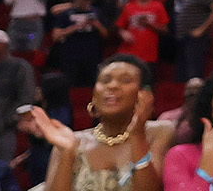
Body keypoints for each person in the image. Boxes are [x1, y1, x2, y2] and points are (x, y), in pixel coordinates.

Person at [27, 55, 174, 191]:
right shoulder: (72, 141)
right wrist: (66, 153)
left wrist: (137, 135)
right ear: (93, 98)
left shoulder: (160, 131)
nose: (112, 86)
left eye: (125, 80)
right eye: (105, 80)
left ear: (145, 94)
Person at [0, 29, 37, 161]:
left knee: (1, 169)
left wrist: (8, 120)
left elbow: (26, 98)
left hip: (5, 130)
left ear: (2, 45)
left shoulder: (19, 67)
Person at [49, 0, 111, 87]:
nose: (86, 2)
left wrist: (96, 25)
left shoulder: (96, 12)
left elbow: (106, 34)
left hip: (92, 56)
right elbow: (56, 35)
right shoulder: (66, 14)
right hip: (71, 56)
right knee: (71, 86)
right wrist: (75, 27)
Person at [116, 0, 170, 68]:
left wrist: (150, 25)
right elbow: (119, 27)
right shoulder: (129, 7)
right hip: (129, 52)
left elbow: (165, 29)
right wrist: (123, 33)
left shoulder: (158, 7)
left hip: (148, 53)